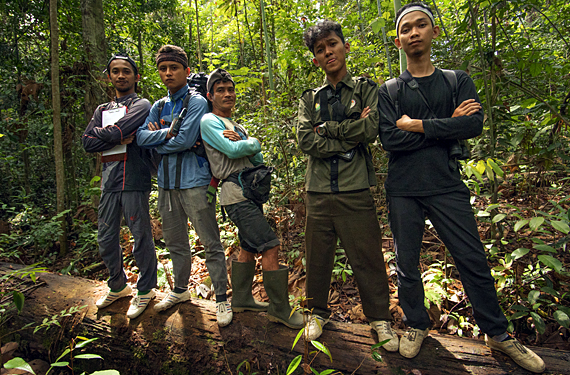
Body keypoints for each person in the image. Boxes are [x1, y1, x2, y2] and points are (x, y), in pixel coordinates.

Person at [377, 3, 545, 372]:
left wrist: (418, 125)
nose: (414, 33)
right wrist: (445, 124)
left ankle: (497, 335)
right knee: (406, 263)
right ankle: (417, 324)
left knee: (471, 258)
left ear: (434, 33)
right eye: (407, 29)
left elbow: (473, 126)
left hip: (446, 184)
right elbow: (390, 139)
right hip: (404, 187)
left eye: (422, 25)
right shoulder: (389, 90)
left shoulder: (457, 81)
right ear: (398, 40)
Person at [297, 20, 398, 350]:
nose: (327, 52)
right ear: (315, 59)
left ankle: (380, 319)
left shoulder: (366, 90)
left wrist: (326, 130)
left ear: (345, 47)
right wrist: (347, 134)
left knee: (367, 255)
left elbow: (371, 130)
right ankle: (316, 312)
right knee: (317, 256)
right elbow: (305, 140)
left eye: (332, 45)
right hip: (318, 190)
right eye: (320, 50)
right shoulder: (310, 98)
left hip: (355, 188)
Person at [136, 45, 232, 327]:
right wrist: (170, 133)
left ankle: (222, 298)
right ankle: (179, 290)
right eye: (163, 69)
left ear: (186, 71)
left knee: (210, 241)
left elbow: (185, 141)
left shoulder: (197, 103)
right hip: (166, 185)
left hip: (196, 182)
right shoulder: (159, 106)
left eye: (173, 68)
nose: (168, 73)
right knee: (175, 241)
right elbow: (141, 137)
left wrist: (163, 137)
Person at [200, 68, 303, 329]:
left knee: (248, 245)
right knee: (269, 245)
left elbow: (256, 159)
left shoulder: (237, 126)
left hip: (249, 192)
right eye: (220, 90)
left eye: (230, 89)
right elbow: (234, 151)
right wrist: (251, 142)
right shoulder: (209, 121)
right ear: (210, 95)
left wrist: (246, 140)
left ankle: (243, 298)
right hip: (235, 194)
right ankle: (280, 309)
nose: (227, 94)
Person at [82, 54, 157, 319]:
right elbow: (87, 142)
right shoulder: (102, 110)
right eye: (115, 71)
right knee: (105, 238)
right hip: (109, 181)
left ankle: (146, 289)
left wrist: (109, 135)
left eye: (126, 71)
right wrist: (115, 135)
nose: (120, 76)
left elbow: (107, 135)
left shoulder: (142, 104)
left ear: (136, 77)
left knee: (140, 237)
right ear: (109, 76)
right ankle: (118, 285)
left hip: (134, 178)